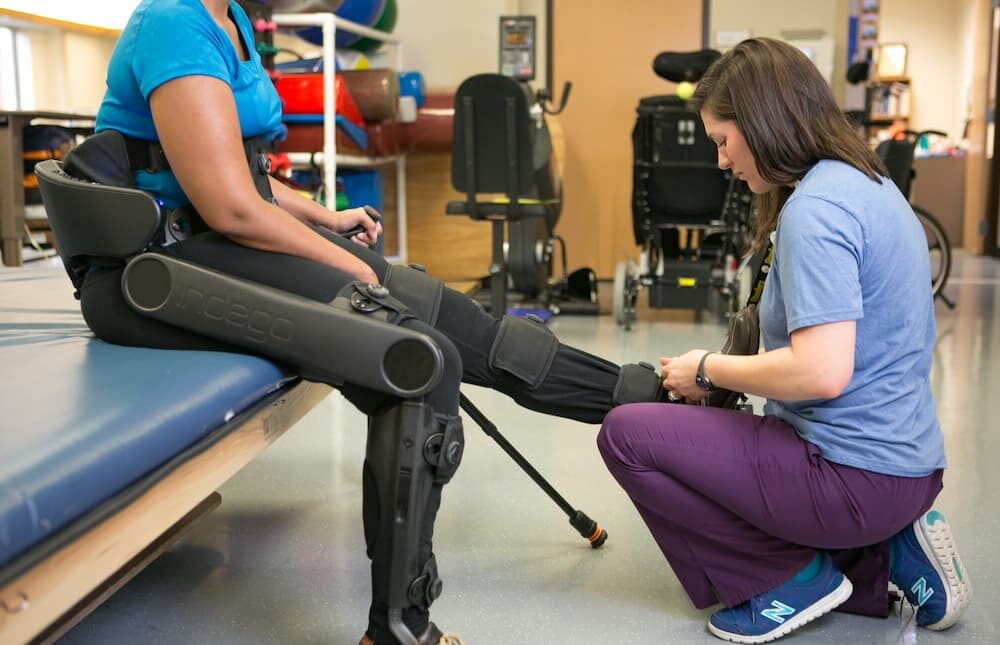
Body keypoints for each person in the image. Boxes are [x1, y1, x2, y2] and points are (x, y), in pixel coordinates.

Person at [77, 2, 663, 645]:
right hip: (164, 268)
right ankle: (397, 628)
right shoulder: (171, 22)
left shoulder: (234, 21)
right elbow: (227, 206)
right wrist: (351, 266)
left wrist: (326, 221)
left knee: (468, 327)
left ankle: (653, 395)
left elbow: (248, 178)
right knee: (417, 361)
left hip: (218, 240)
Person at [597, 38, 972, 643]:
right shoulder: (865, 182)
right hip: (906, 465)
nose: (720, 161)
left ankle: (785, 581)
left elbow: (822, 372)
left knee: (628, 436)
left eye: (723, 141)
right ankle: (889, 554)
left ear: (764, 122)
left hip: (854, 477)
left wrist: (710, 371)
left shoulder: (817, 210)